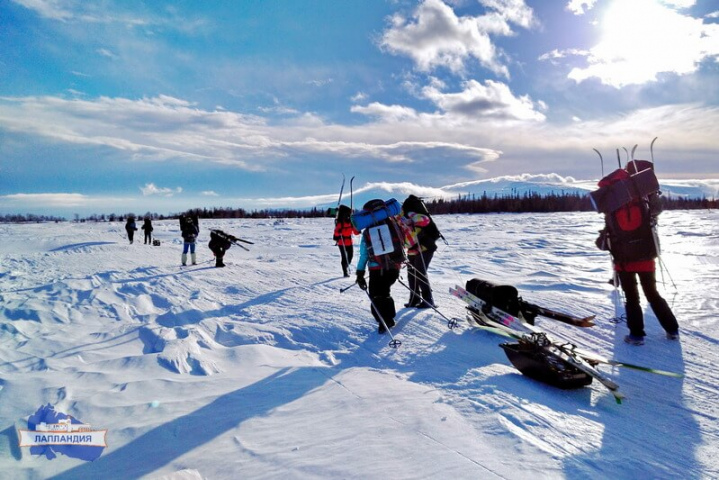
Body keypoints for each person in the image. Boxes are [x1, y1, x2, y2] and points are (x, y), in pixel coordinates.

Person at [595, 169, 679, 346]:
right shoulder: (642, 198)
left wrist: (601, 239)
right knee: (653, 294)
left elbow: (606, 240)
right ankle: (672, 329)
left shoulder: (611, 205)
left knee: (632, 297)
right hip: (646, 258)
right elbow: (656, 212)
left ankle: (636, 335)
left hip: (623, 262)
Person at [355, 199, 405, 334]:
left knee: (376, 296)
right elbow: (403, 242)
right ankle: (389, 318)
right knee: (385, 293)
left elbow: (364, 255)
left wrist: (360, 273)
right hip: (394, 267)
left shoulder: (368, 232)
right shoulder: (393, 224)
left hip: (377, 270)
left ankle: (384, 321)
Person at [400, 195, 439, 308]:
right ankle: (414, 299)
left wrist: (410, 221)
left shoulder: (410, 213)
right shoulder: (399, 218)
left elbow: (425, 220)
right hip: (412, 249)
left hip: (425, 247)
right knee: (412, 274)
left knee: (420, 273)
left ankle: (428, 300)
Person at [333, 205, 359, 277]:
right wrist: (339, 231)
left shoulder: (350, 222)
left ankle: (346, 266)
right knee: (344, 257)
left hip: (349, 242)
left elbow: (354, 231)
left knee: (350, 257)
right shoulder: (340, 223)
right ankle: (345, 271)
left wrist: (358, 231)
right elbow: (336, 233)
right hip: (342, 242)